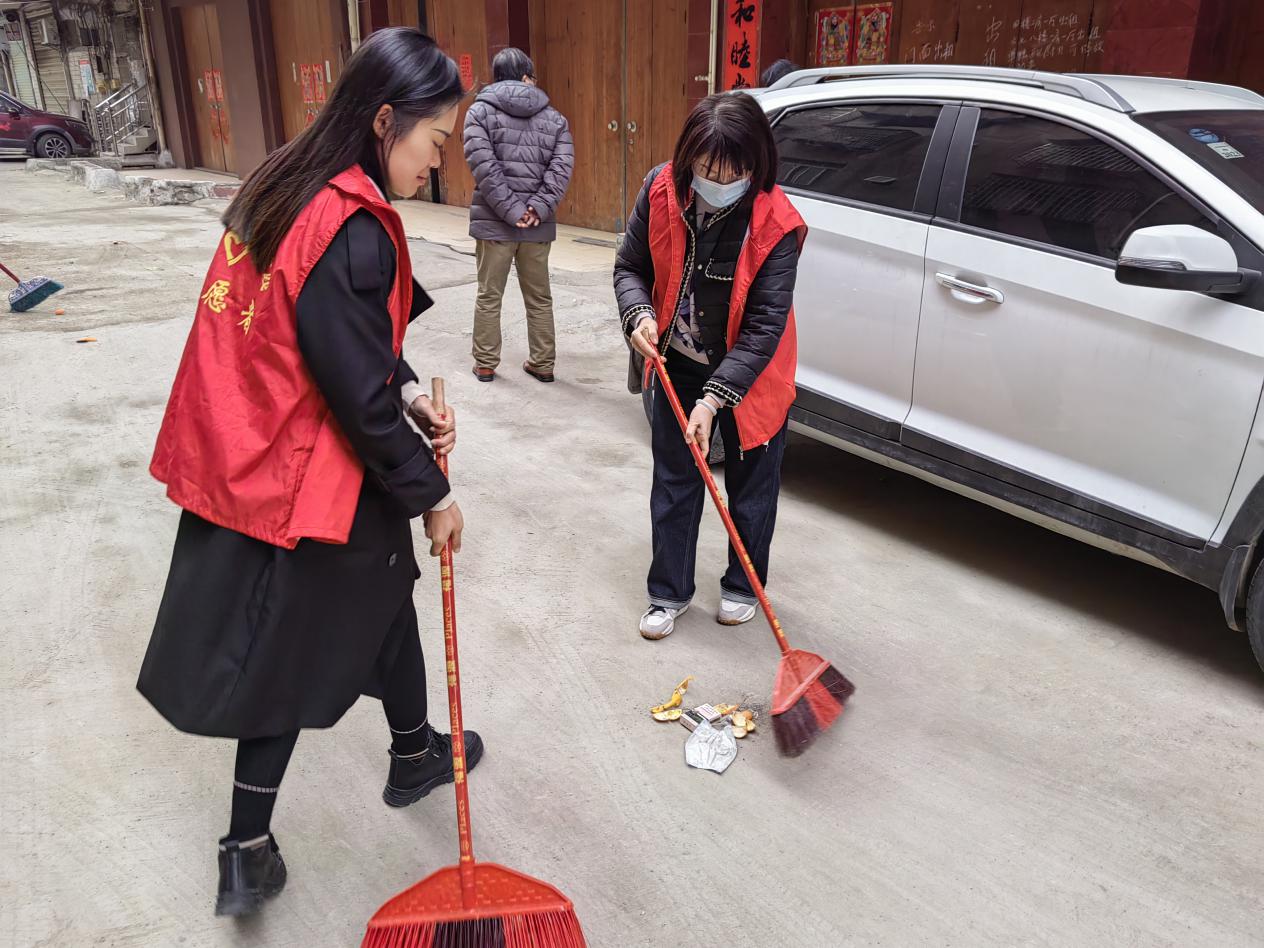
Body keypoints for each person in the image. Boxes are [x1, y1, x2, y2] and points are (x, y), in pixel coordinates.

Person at [137, 28, 484, 918]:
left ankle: (414, 751)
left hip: (252, 447)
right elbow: (353, 392)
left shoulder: (287, 183)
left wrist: (410, 393)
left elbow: (341, 343)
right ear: (385, 121)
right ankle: (245, 848)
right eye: (434, 141)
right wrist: (434, 493)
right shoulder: (350, 225)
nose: (437, 165)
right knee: (289, 649)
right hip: (302, 474)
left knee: (385, 590)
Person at [614, 93, 806, 641]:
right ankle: (668, 591)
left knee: (752, 489)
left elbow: (765, 326)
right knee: (674, 480)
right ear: (687, 157)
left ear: (755, 164)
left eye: (731, 172)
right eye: (706, 168)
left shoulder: (776, 224)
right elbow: (630, 266)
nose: (717, 182)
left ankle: (744, 586)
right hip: (677, 361)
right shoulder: (660, 190)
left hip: (751, 376)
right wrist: (638, 313)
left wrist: (714, 399)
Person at [463, 46, 574, 384]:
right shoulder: (555, 119)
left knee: (489, 295)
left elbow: (484, 167)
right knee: (539, 298)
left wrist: (511, 210)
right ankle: (543, 363)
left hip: (494, 223)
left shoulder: (479, 112)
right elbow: (561, 168)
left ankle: (485, 363)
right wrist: (537, 207)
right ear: (527, 77)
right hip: (537, 226)